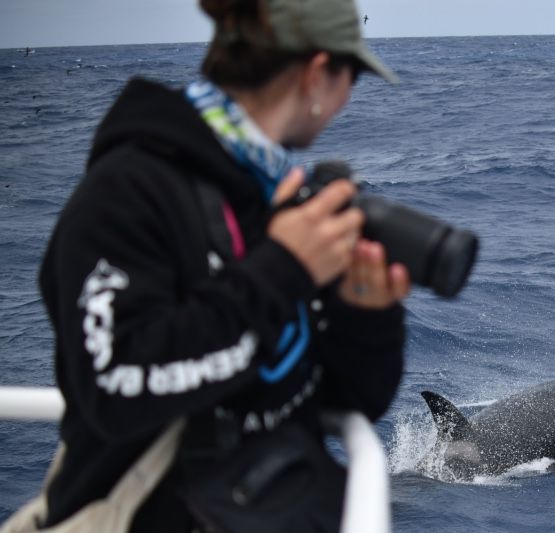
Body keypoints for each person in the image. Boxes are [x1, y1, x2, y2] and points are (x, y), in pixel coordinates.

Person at [36, 0, 408, 530]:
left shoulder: (273, 198)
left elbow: (349, 399)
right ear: (318, 74)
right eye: (353, 76)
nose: (349, 98)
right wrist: (284, 269)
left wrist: (368, 315)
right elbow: (115, 384)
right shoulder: (127, 191)